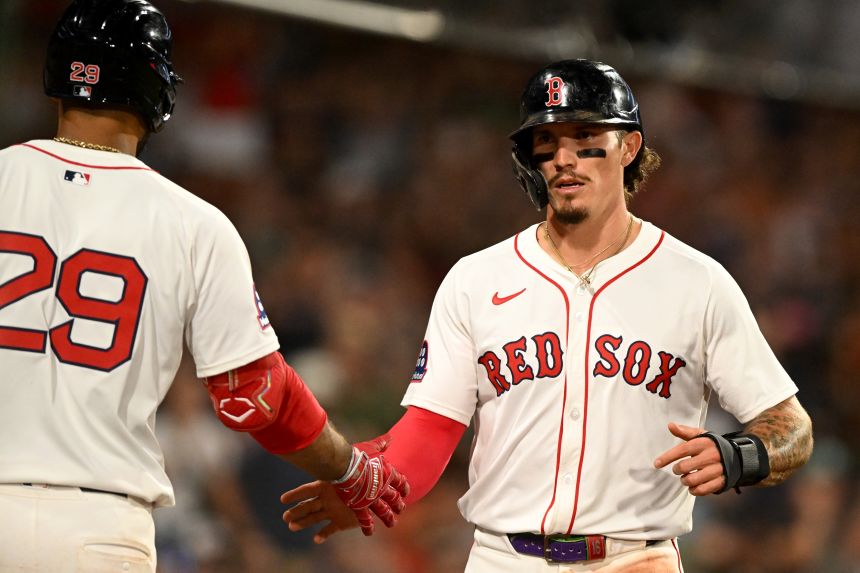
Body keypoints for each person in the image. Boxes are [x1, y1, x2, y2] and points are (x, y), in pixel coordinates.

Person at [281, 59, 814, 572]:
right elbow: (428, 436)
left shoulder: (697, 283)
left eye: (585, 141)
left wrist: (740, 455)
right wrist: (363, 479)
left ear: (628, 147)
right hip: (504, 560)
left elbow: (791, 428)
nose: (564, 158)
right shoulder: (475, 279)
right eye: (548, 143)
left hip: (636, 560)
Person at [0, 1, 407, 571]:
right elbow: (256, 396)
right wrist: (348, 467)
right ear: (155, 89)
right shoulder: (193, 222)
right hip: (93, 526)